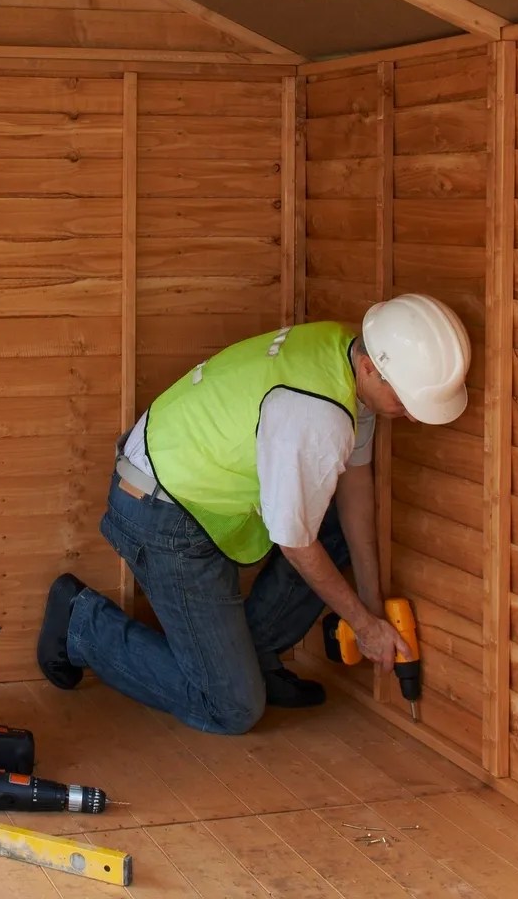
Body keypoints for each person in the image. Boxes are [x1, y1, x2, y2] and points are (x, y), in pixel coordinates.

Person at [36, 294, 471, 735]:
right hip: (160, 511)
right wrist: (361, 623)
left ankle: (253, 661)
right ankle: (82, 622)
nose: (413, 415)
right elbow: (296, 543)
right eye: (407, 399)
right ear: (370, 369)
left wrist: (372, 609)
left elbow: (355, 495)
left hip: (188, 487)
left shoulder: (346, 352)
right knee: (230, 707)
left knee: (335, 527)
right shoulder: (318, 416)